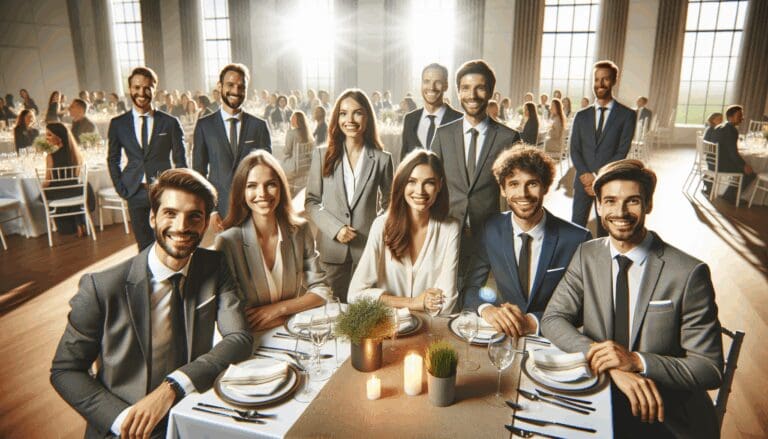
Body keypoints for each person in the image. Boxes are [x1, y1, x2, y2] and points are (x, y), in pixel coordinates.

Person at [50, 168, 253, 439]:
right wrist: (124, 422)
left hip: (191, 410)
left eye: (194, 216)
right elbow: (65, 370)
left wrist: (173, 386)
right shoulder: (101, 287)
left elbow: (239, 337)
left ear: (206, 223)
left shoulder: (214, 266)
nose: (181, 226)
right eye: (170, 213)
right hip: (127, 424)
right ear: (152, 218)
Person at [541, 159, 723, 438]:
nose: (620, 212)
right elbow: (553, 318)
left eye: (633, 201)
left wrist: (637, 361)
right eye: (610, 201)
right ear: (598, 206)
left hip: (664, 411)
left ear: (648, 204)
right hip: (601, 393)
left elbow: (709, 368)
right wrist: (610, 363)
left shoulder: (689, 273)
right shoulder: (587, 254)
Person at [463, 146, 591, 335]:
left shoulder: (577, 239)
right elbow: (471, 287)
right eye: (514, 184)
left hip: (551, 337)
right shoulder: (490, 229)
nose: (523, 194)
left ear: (545, 187)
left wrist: (533, 322)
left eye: (532, 184)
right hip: (504, 335)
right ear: (503, 190)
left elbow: (586, 306)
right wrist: (487, 309)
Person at [430, 59, 521, 300]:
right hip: (448, 229)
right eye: (466, 88)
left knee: (482, 298)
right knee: (447, 295)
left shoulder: (508, 138)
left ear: (490, 92)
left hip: (489, 232)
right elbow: (432, 183)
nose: (472, 95)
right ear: (458, 91)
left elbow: (516, 192)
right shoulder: (443, 134)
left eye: (480, 88)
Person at [215, 152, 331, 332]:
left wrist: (279, 309)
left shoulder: (300, 231)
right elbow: (236, 318)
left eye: (270, 184)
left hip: (295, 333)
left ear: (281, 188)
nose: (262, 193)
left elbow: (322, 291)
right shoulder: (228, 242)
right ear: (241, 192)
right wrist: (299, 309)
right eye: (252, 186)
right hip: (251, 339)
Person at [305, 89, 394, 301]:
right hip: (331, 251)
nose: (350, 120)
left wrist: (375, 230)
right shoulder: (322, 155)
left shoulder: (382, 159)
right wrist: (336, 229)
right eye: (343, 113)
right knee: (331, 309)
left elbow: (392, 203)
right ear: (337, 119)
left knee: (364, 310)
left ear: (367, 117)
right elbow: (311, 202)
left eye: (357, 113)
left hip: (368, 251)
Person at [349, 150, 460, 313]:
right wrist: (413, 303)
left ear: (439, 185)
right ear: (401, 184)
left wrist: (389, 302)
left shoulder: (450, 229)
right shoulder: (381, 226)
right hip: (388, 324)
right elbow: (355, 295)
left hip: (430, 326)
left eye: (429, 182)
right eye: (411, 181)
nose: (420, 191)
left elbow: (447, 303)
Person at [108, 66, 188, 251]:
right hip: (134, 191)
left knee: (169, 242)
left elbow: (181, 161)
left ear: (154, 89)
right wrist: (121, 188)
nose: (141, 93)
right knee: (144, 245)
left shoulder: (170, 122)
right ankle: (148, 271)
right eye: (136, 87)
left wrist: (177, 190)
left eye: (147, 88)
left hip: (164, 192)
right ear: (130, 89)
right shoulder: (118, 124)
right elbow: (113, 159)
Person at [193, 63, 272, 231]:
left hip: (254, 209)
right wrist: (211, 210)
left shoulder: (259, 126)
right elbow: (199, 173)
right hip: (221, 210)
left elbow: (267, 172)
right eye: (230, 85)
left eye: (241, 87)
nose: (236, 91)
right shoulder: (204, 125)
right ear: (220, 86)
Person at [570, 60, 636, 237]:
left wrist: (598, 177)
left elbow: (621, 151)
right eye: (597, 79)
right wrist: (586, 174)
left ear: (614, 81)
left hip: (608, 183)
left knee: (605, 230)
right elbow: (574, 149)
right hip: (583, 182)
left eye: (605, 79)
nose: (600, 84)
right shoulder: (581, 116)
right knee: (575, 228)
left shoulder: (627, 115)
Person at [41, 123, 96, 237]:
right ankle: (80, 223)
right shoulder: (77, 155)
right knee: (73, 190)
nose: (46, 138)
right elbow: (75, 177)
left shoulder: (50, 157)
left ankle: (73, 225)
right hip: (75, 191)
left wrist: (39, 187)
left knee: (41, 195)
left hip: (60, 192)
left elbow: (48, 181)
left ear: (59, 137)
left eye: (49, 135)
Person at [401, 63, 464, 161]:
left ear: (446, 86)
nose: (431, 87)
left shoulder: (460, 119)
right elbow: (404, 161)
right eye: (426, 81)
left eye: (437, 82)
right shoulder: (410, 119)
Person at [709, 105, 757, 202]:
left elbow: (730, 151)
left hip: (712, 162)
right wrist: (744, 165)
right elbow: (733, 152)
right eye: (739, 116)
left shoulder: (719, 126)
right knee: (750, 173)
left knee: (741, 168)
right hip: (720, 165)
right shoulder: (731, 130)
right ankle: (731, 196)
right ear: (730, 117)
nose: (742, 118)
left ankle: (728, 194)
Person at [282, 110, 312, 177]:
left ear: (296, 120)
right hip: (306, 166)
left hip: (294, 167)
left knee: (277, 163)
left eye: (292, 118)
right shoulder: (307, 134)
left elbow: (287, 151)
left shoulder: (291, 133)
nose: (290, 119)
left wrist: (283, 150)